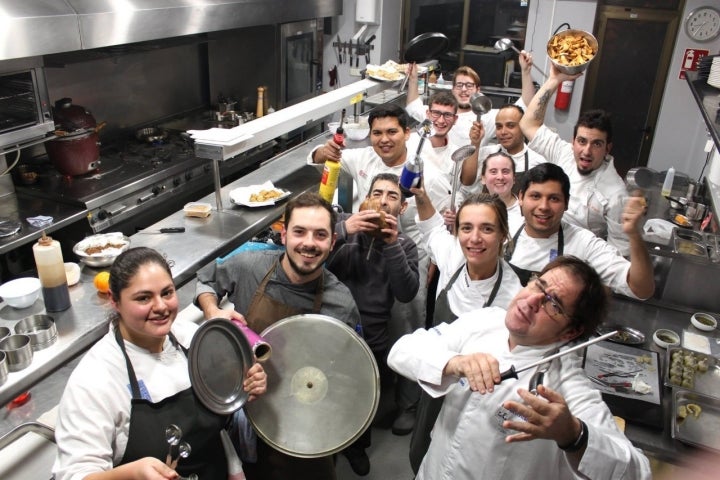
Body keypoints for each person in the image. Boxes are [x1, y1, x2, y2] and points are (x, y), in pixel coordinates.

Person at [388, 256, 652, 479]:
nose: (532, 300)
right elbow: (402, 351)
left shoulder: (566, 386)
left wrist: (573, 434)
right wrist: (453, 363)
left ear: (570, 331)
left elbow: (638, 472)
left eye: (553, 304)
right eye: (539, 284)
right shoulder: (486, 320)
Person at [53, 247, 267, 480]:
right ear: (115, 301)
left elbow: (223, 404)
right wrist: (133, 474)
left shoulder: (192, 338)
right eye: (143, 298)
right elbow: (75, 475)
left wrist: (245, 388)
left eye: (167, 293)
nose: (161, 306)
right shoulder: (96, 379)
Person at [195, 192, 361, 480]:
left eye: (320, 235)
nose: (309, 243)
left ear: (332, 242)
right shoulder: (249, 267)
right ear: (283, 235)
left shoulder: (341, 304)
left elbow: (351, 377)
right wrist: (213, 311)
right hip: (243, 411)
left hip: (304, 425)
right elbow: (205, 279)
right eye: (299, 232)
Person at [309, 104, 441, 436]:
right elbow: (322, 160)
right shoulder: (364, 159)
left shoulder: (427, 171)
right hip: (361, 244)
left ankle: (407, 403)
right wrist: (320, 151)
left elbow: (436, 221)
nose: (384, 140)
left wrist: (431, 262)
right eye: (377, 133)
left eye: (392, 132)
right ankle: (359, 402)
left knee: (407, 328)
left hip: (408, 251)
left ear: (407, 133)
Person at [409, 185, 522, 473]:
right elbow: (432, 229)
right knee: (420, 449)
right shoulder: (451, 255)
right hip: (437, 374)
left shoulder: (514, 296)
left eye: (486, 229)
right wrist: (421, 197)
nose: (474, 239)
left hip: (477, 394)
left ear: (503, 235)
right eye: (466, 228)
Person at [325, 173, 419, 476]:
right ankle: (324, 448)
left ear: (402, 208)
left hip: (372, 337)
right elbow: (310, 256)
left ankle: (356, 447)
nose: (382, 200)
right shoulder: (344, 230)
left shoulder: (405, 245)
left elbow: (406, 292)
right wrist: (342, 229)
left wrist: (391, 243)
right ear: (365, 199)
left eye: (392, 196)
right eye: (376, 193)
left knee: (361, 399)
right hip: (332, 331)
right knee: (325, 392)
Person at [519, 63, 630, 256]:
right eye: (582, 141)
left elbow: (619, 252)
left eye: (596, 144)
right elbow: (528, 123)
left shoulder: (616, 194)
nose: (586, 151)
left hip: (578, 258)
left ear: (607, 148)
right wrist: (554, 80)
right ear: (573, 141)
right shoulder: (564, 153)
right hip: (542, 242)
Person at [505, 163, 654, 300]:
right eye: (535, 196)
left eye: (554, 199)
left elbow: (641, 289)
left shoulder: (583, 243)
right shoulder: (504, 230)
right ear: (521, 197)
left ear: (566, 203)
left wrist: (634, 234)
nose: (544, 206)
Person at [406, 52, 536, 147]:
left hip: (470, 180)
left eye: (469, 85)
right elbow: (413, 105)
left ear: (478, 90)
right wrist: (413, 79)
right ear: (452, 89)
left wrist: (526, 72)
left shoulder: (487, 116)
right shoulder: (438, 113)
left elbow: (526, 104)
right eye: (459, 85)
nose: (463, 89)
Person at [461, 104, 546, 194]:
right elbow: (467, 181)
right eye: (499, 127)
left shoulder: (538, 162)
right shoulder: (486, 153)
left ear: (523, 128)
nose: (503, 132)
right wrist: (475, 143)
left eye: (510, 126)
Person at [460, 151, 524, 234]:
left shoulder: (525, 209)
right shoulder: (471, 211)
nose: (500, 177)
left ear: (514, 178)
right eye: (493, 172)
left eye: (505, 171)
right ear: (483, 178)